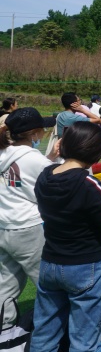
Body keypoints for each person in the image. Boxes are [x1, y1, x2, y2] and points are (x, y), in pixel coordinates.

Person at [29, 121, 101, 352]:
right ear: (94, 153)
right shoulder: (89, 184)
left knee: (44, 335)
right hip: (85, 266)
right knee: (83, 342)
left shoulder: (45, 176)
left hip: (50, 264)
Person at [0, 107, 58, 326]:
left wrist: (49, 158)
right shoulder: (35, 160)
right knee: (48, 283)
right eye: (41, 129)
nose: (43, 133)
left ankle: (4, 332)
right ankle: (57, 333)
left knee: (6, 284)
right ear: (34, 133)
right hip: (28, 229)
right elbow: (53, 188)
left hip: (4, 227)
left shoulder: (3, 153)